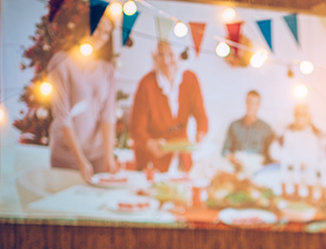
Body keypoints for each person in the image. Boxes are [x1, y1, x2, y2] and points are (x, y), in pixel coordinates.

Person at [47, 11, 118, 181]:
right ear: (85, 28)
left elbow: (108, 115)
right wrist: (81, 161)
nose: (102, 36)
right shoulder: (61, 63)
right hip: (68, 156)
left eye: (107, 32)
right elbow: (62, 117)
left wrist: (108, 156)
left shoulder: (107, 69)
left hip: (98, 155)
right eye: (98, 29)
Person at [130, 40, 209, 173]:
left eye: (171, 55)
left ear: (179, 55)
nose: (166, 61)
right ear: (155, 58)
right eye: (160, 55)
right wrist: (150, 144)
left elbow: (201, 115)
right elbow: (137, 128)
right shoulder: (146, 84)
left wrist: (200, 134)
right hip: (152, 160)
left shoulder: (191, 79)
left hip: (181, 159)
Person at [273, 103, 326, 188]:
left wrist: (311, 166)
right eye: (297, 114)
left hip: (311, 178)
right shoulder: (285, 132)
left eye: (303, 115)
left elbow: (325, 160)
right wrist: (292, 163)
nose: (300, 117)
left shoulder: (319, 136)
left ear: (310, 116)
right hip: (288, 174)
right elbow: (274, 152)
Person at [221, 90, 275, 171]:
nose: (251, 106)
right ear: (245, 103)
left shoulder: (266, 128)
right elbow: (225, 151)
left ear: (258, 105)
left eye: (254, 104)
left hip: (255, 164)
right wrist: (232, 158)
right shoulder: (234, 125)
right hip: (235, 162)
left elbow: (270, 155)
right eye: (249, 102)